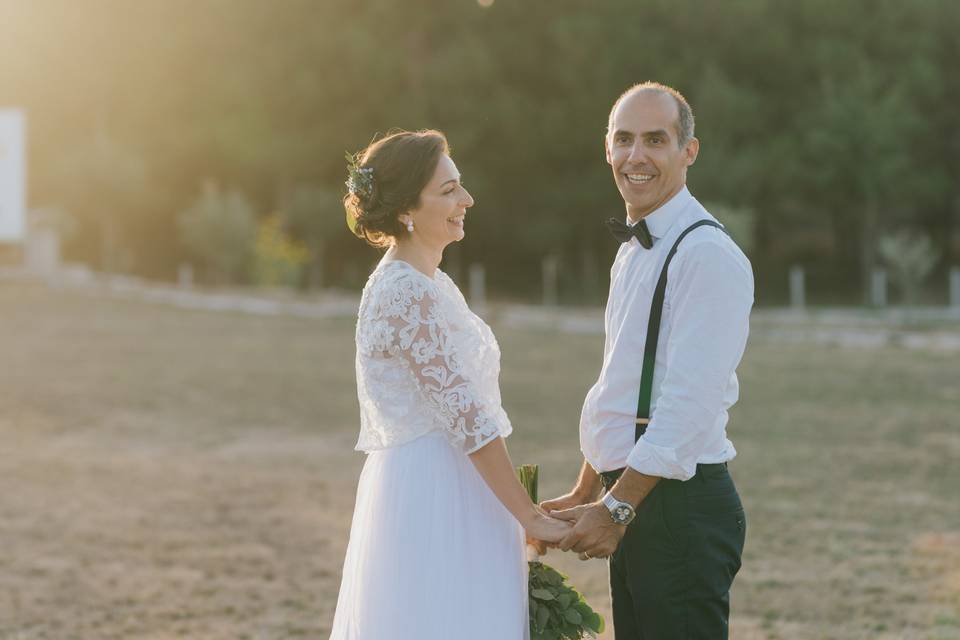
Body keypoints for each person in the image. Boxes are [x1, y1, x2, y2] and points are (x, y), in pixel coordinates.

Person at [329, 129, 571, 640]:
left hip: (461, 485)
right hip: (434, 496)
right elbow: (470, 421)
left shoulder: (429, 281)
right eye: (448, 190)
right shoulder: (405, 292)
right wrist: (530, 516)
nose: (466, 199)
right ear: (405, 211)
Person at [541, 82, 754, 638]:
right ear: (606, 149)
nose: (636, 156)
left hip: (677, 509)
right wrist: (590, 489)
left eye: (656, 140)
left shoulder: (706, 255)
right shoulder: (632, 250)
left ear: (689, 151)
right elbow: (623, 383)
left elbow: (688, 407)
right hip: (636, 497)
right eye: (624, 139)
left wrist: (616, 508)